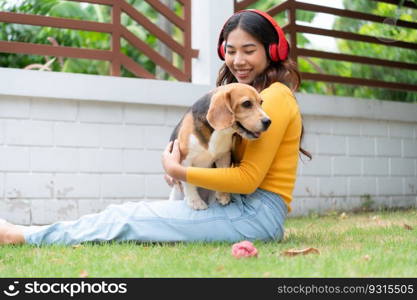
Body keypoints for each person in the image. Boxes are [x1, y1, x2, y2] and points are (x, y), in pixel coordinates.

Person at [0, 9, 311, 246]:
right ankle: (33, 232)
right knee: (131, 213)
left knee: (126, 219)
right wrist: (187, 165)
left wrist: (180, 171)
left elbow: (246, 180)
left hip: (255, 215)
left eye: (249, 50)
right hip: (236, 207)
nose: (237, 60)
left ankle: (25, 236)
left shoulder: (275, 97)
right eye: (230, 51)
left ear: (272, 51)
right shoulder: (242, 100)